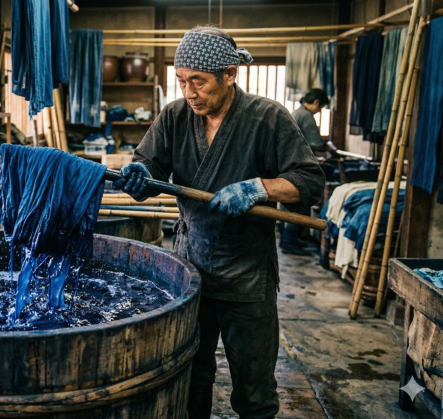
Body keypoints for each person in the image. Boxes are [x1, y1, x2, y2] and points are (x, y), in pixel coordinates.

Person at [113, 26, 325, 419]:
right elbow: (149, 165)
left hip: (247, 275)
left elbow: (310, 182)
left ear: (230, 75)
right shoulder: (175, 116)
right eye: (181, 81)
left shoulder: (267, 118)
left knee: (254, 388)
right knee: (191, 375)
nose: (189, 93)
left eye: (199, 82)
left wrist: (260, 187)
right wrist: (138, 176)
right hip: (189, 269)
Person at [281, 89, 336, 255]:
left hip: (287, 163)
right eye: (321, 108)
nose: (319, 111)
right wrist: (329, 147)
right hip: (296, 164)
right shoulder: (305, 115)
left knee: (288, 206)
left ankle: (289, 239)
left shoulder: (296, 113)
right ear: (317, 103)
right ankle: (289, 243)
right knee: (297, 205)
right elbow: (315, 142)